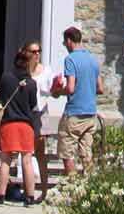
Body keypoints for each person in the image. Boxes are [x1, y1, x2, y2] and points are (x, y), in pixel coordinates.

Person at [0, 44, 42, 206]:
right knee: (26, 161)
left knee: (5, 160)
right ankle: (30, 197)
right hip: (25, 124)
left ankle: (1, 196)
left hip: (8, 123)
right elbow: (33, 104)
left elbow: (1, 97)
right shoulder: (32, 83)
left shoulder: (6, 77)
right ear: (28, 64)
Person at [58, 24, 103, 176]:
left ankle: (72, 187)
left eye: (65, 43)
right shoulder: (92, 60)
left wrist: (57, 90)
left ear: (69, 41)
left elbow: (70, 88)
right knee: (86, 154)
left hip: (74, 113)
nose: (65, 46)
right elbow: (100, 88)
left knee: (67, 153)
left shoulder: (70, 60)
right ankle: (89, 187)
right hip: (90, 113)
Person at [25, 38, 57, 198]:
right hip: (25, 113)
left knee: (40, 153)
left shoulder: (46, 71)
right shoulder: (23, 71)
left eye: (39, 51)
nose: (37, 54)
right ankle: (28, 189)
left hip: (40, 112)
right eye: (33, 51)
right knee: (25, 154)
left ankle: (44, 190)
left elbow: (53, 91)